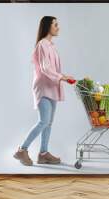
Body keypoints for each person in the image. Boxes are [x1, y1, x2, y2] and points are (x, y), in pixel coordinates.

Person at [13, 16, 74, 166]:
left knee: (49, 123)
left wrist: (62, 77)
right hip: (43, 88)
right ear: (47, 27)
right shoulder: (42, 45)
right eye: (55, 25)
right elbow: (45, 68)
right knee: (43, 121)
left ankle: (43, 153)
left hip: (52, 87)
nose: (58, 27)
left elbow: (51, 68)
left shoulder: (51, 46)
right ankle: (22, 150)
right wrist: (63, 77)